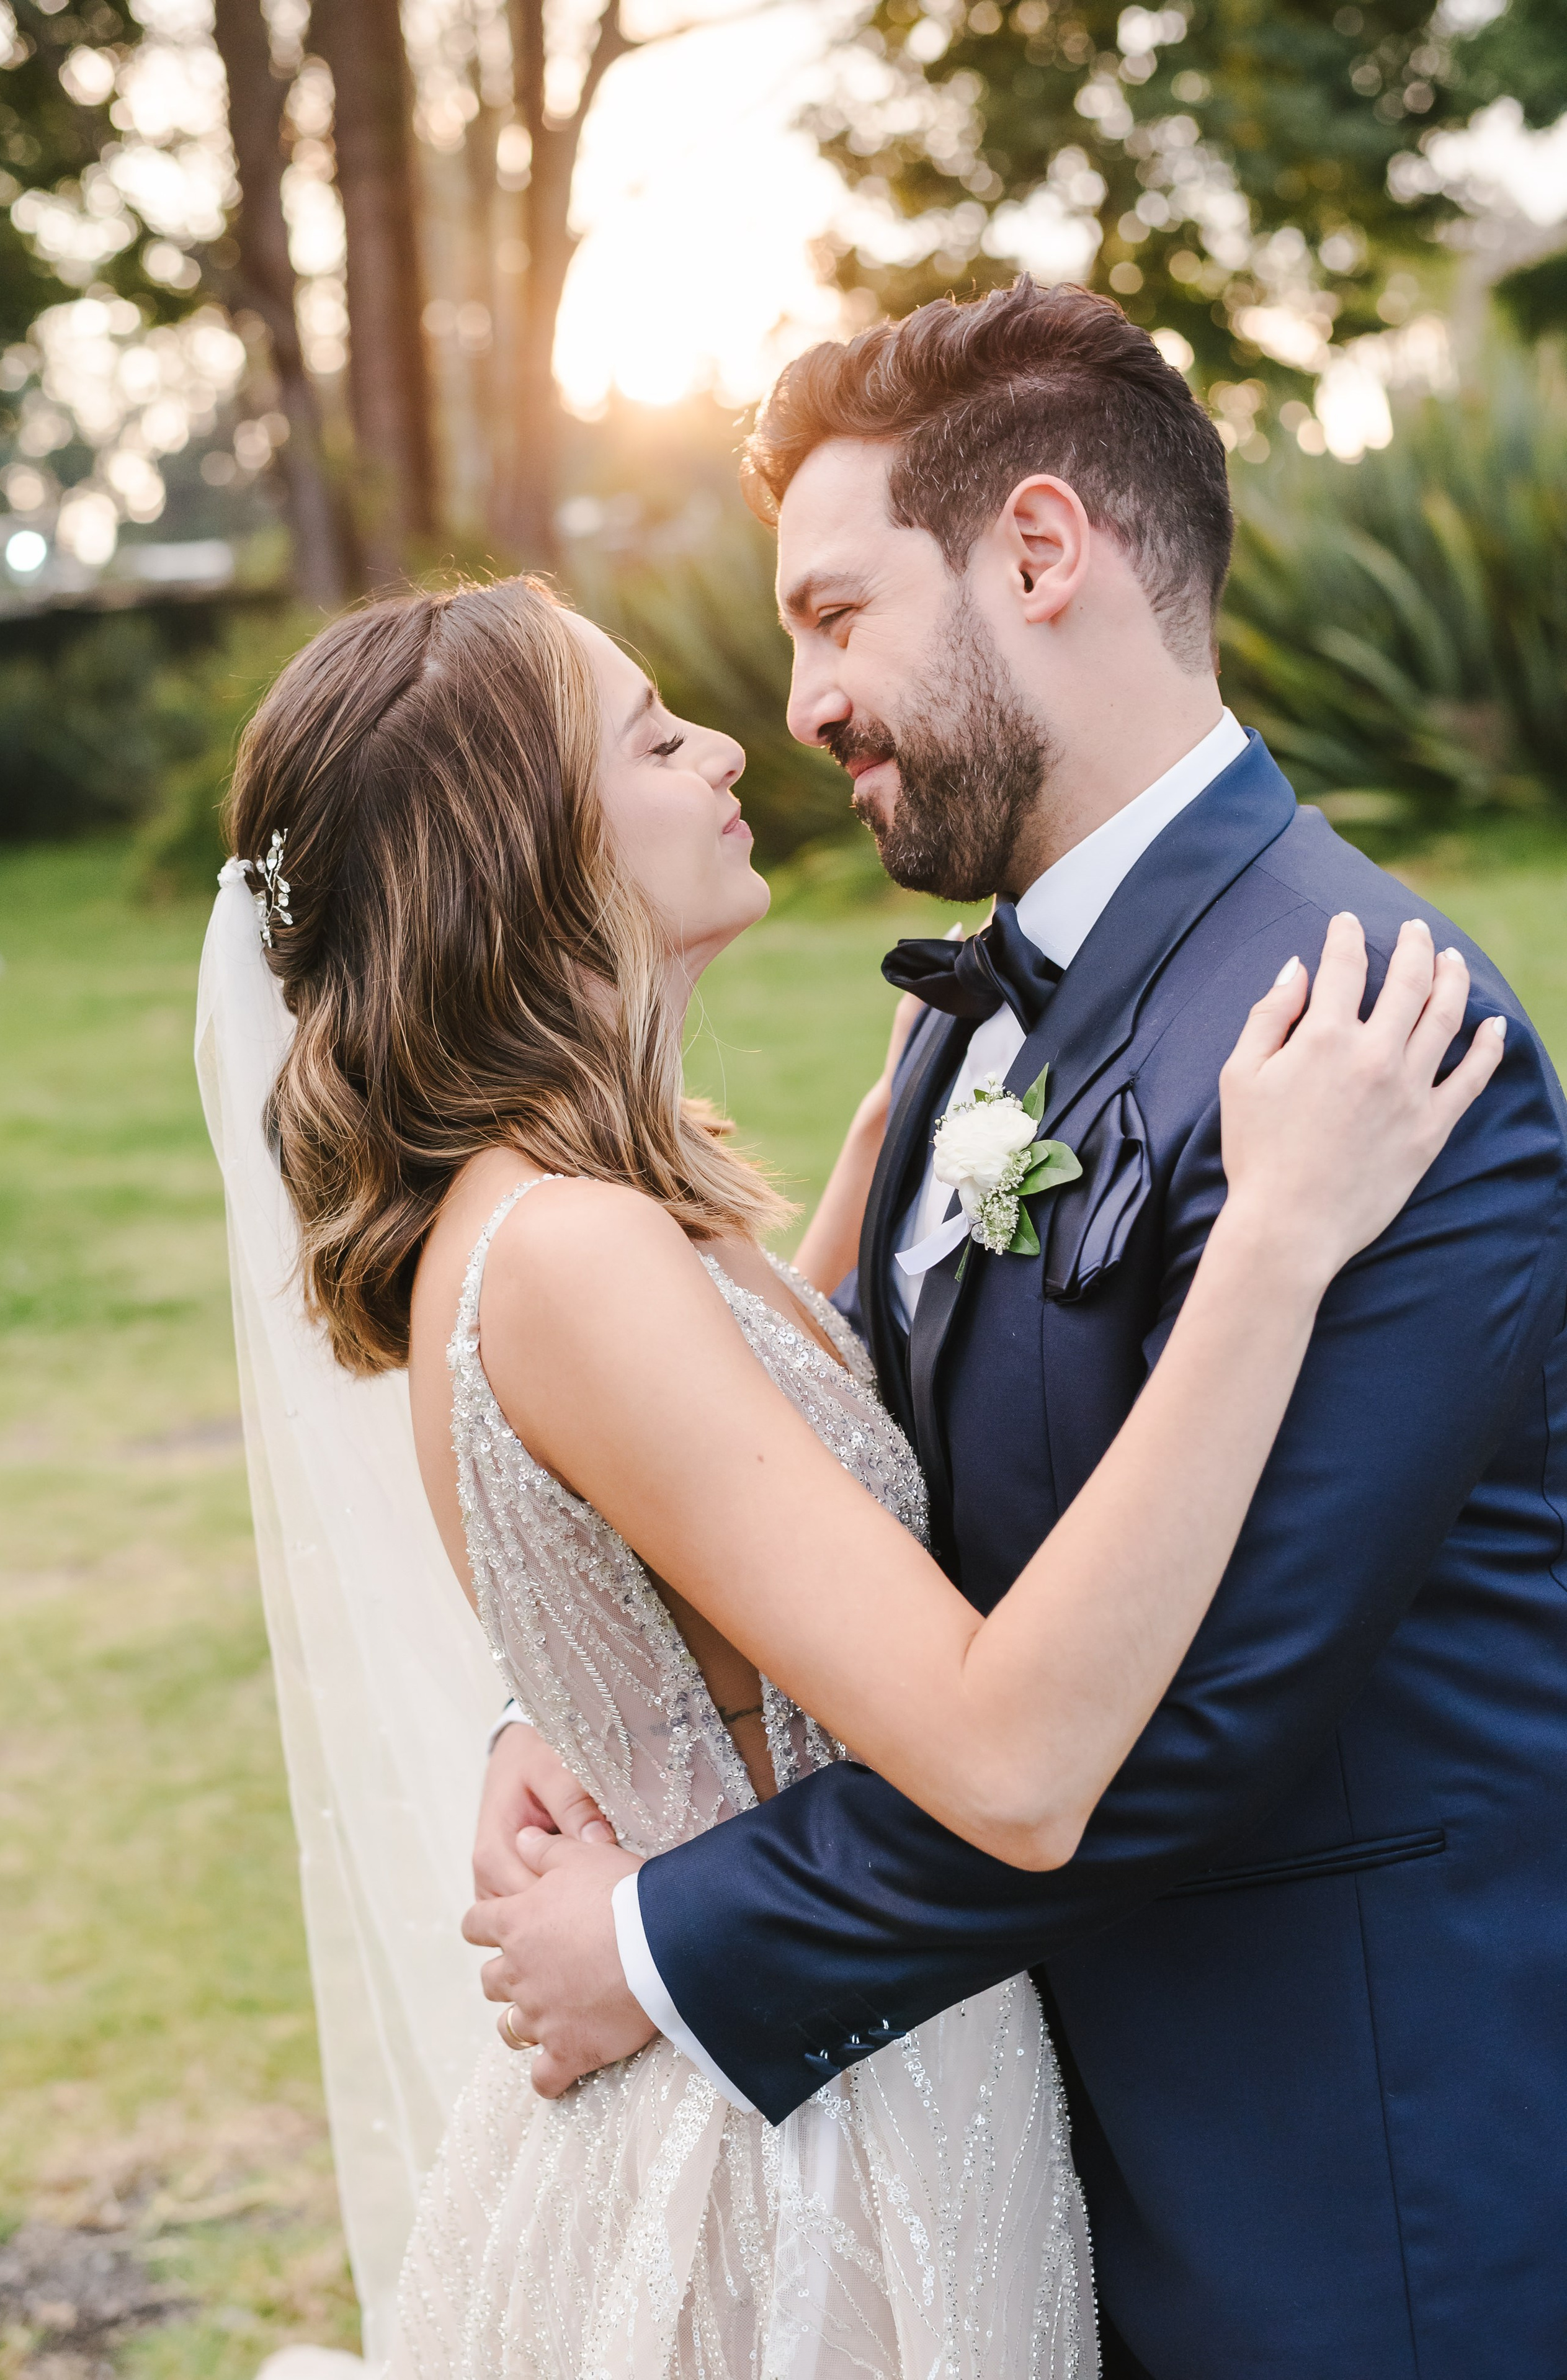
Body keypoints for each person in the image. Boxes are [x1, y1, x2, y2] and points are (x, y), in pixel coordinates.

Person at [205, 527, 1495, 2378]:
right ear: (527, 851)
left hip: (849, 2062)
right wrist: (1275, 1240)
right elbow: (1012, 1761)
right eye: (655, 741)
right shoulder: (569, 1255)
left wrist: (897, 1150)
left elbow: (737, 1438)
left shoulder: (593, 1209)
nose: (732, 746)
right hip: (802, 2151)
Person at [465, 282, 1567, 2380]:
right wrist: (604, 1673)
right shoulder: (968, 1025)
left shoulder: (1372, 1039)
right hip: (1052, 2175)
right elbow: (873, 1501)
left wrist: (665, 1944)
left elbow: (1186, 1722)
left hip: (1347, 2212)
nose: (802, 702)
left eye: (837, 615)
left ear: (1041, 551)